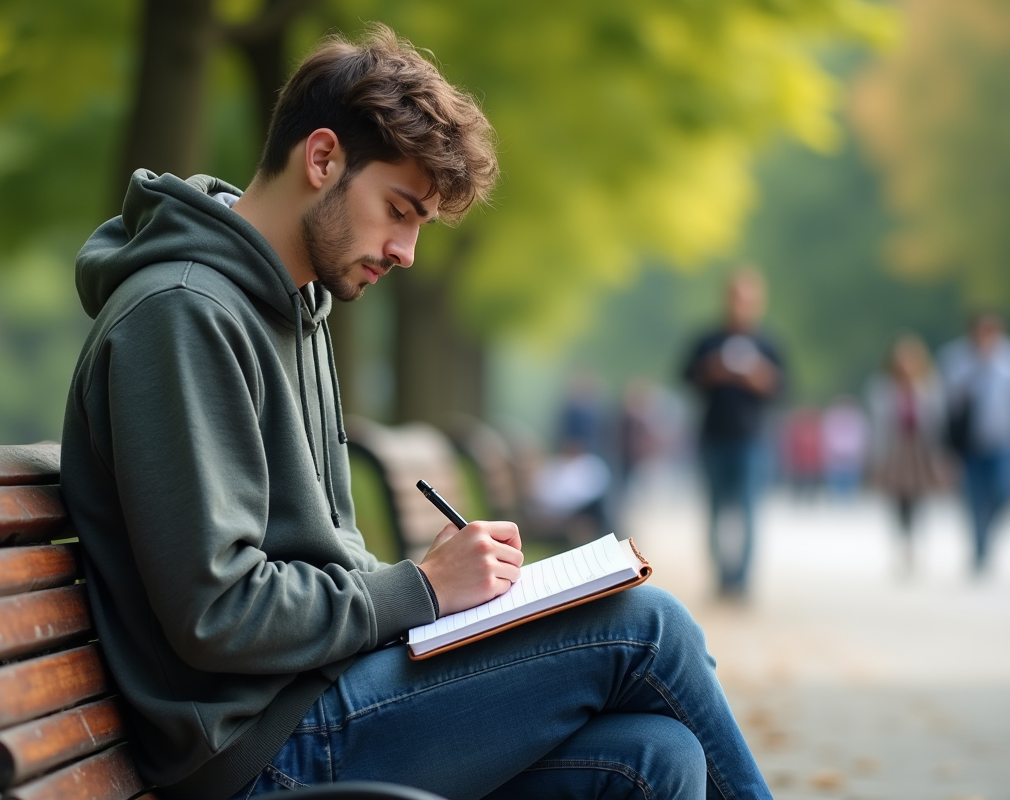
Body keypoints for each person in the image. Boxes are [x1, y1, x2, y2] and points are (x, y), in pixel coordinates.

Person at [61, 25, 771, 800]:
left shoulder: (294, 304)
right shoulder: (184, 315)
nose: (405, 251)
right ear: (323, 158)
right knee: (648, 625)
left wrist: (455, 600)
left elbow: (317, 556)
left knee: (658, 755)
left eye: (419, 224)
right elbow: (218, 610)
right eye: (398, 210)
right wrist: (423, 590)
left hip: (311, 698)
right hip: (259, 750)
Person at [681, 269, 785, 598]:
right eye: (736, 297)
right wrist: (711, 371)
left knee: (750, 511)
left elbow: (784, 389)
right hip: (713, 436)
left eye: (748, 299)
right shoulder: (708, 340)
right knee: (714, 511)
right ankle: (721, 578)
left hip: (751, 439)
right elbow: (686, 377)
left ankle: (741, 581)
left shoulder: (768, 343)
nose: (741, 305)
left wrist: (758, 377)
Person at [865, 335, 948, 573]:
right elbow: (878, 426)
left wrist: (940, 456)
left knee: (918, 498)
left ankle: (913, 541)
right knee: (897, 499)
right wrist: (876, 458)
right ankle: (902, 540)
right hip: (895, 449)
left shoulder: (928, 387)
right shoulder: (882, 388)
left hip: (920, 449)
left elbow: (937, 424)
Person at [938, 312, 1010, 574]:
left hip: (1002, 441)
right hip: (969, 444)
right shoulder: (956, 360)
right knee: (973, 499)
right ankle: (979, 548)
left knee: (1002, 492)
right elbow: (948, 404)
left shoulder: (1006, 359)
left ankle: (987, 533)